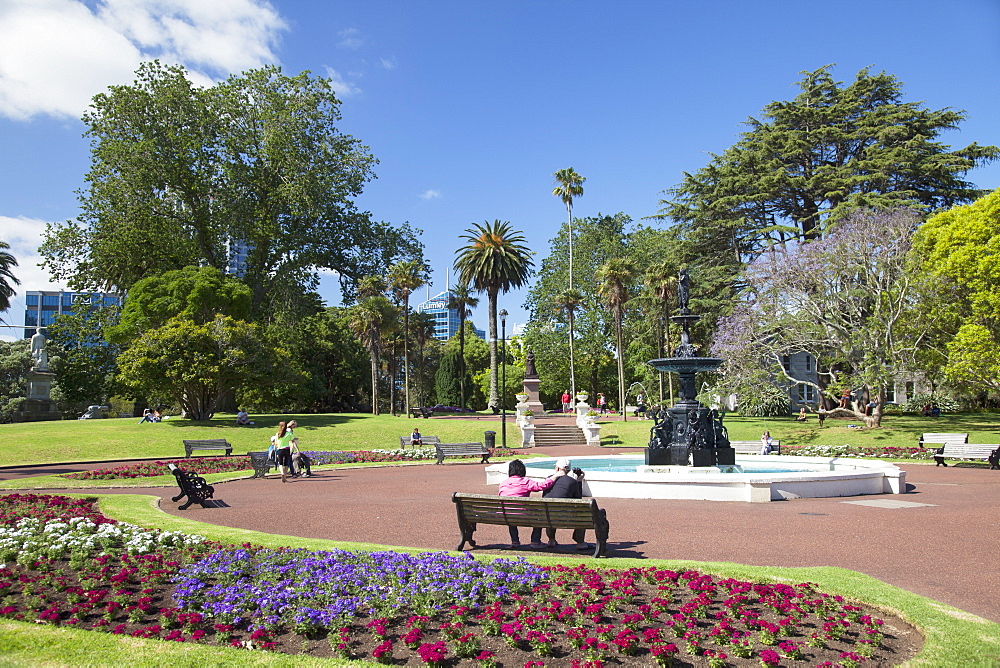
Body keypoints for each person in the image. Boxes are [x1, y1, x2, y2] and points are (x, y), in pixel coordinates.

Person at [529, 459, 593, 551]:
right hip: (565, 517)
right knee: (582, 511)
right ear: (568, 470)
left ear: (558, 468)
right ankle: (580, 542)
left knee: (550, 509)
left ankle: (551, 539)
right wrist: (579, 481)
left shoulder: (548, 479)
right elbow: (579, 501)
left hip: (547, 517)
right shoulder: (572, 481)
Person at [498, 459, 554, 548]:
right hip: (523, 514)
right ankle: (535, 541)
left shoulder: (503, 483)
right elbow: (541, 486)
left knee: (510, 511)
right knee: (540, 515)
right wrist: (552, 478)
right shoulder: (525, 481)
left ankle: (515, 541)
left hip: (506, 514)